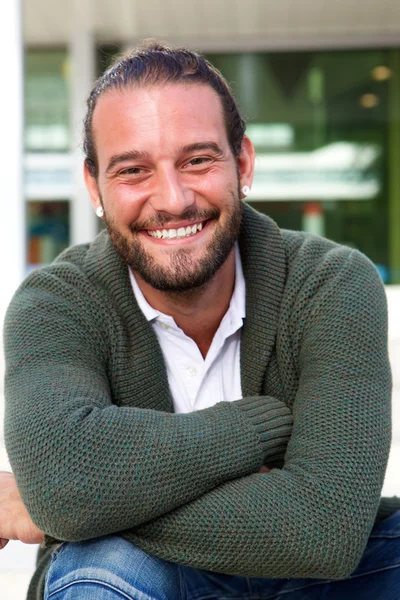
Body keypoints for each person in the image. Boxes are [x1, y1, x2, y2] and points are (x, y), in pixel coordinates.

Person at [2, 40, 400, 600]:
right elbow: (66, 481)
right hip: (136, 575)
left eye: (196, 160)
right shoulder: (55, 304)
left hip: (323, 582)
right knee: (100, 566)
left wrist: (60, 508)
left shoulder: (330, 282)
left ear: (243, 164)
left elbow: (324, 529)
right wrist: (256, 430)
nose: (172, 198)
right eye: (133, 170)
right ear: (94, 187)